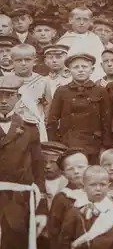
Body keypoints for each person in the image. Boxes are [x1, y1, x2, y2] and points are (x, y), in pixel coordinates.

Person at [0, 74, 48, 249]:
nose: (3, 101)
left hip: (18, 202)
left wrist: (42, 209)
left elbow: (38, 170)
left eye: (9, 95)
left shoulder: (29, 129)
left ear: (18, 98)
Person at [47, 53, 111, 164]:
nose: (80, 70)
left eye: (84, 67)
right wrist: (55, 145)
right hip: (67, 143)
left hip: (93, 145)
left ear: (92, 70)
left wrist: (105, 146)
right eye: (76, 67)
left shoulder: (100, 91)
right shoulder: (62, 91)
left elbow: (107, 121)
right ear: (69, 71)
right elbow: (52, 120)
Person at [59, 166, 113, 249]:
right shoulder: (75, 211)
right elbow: (64, 241)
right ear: (84, 186)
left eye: (103, 185)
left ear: (108, 186)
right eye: (92, 185)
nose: (98, 189)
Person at [47, 148, 89, 249]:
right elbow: (54, 231)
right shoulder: (62, 197)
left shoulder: (98, 192)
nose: (76, 171)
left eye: (81, 167)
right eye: (70, 169)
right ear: (63, 173)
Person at [11, 43, 52, 142]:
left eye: (28, 60)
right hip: (12, 125)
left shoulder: (43, 81)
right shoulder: (5, 80)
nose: (23, 63)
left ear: (35, 61)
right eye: (18, 60)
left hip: (35, 125)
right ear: (12, 62)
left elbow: (48, 104)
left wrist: (43, 122)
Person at [56, 7, 105, 81]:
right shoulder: (64, 41)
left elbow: (101, 61)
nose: (82, 23)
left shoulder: (95, 39)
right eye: (78, 19)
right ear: (70, 20)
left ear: (91, 21)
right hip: (70, 79)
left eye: (85, 20)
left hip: (95, 79)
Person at [41, 141, 69, 209]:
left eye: (53, 162)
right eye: (44, 162)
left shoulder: (68, 184)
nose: (47, 166)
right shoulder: (36, 183)